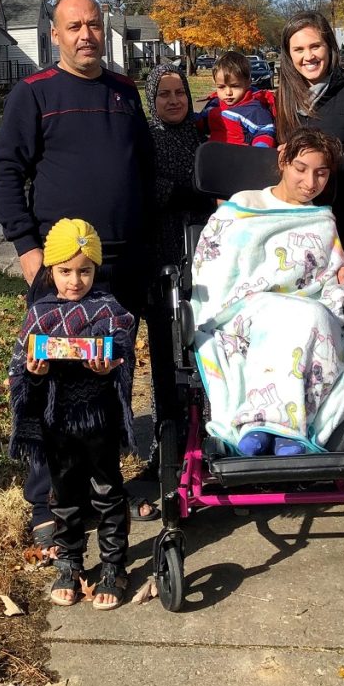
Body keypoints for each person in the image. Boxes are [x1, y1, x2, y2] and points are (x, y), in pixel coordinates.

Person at [0, 0, 156, 544]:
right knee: (54, 384)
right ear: (55, 36)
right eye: (74, 26)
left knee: (109, 379)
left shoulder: (126, 93)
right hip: (63, 273)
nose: (86, 34)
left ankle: (103, 486)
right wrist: (31, 252)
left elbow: (141, 171)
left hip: (122, 269)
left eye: (93, 24)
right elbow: (7, 175)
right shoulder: (33, 94)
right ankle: (50, 498)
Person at [191, 128, 344, 456]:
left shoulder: (322, 220)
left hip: (308, 307)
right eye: (301, 169)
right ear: (283, 161)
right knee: (298, 317)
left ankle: (272, 429)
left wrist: (341, 281)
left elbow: (327, 277)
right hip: (245, 307)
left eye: (321, 173)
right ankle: (272, 427)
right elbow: (214, 263)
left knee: (314, 319)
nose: (310, 182)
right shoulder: (245, 205)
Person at [8, 219, 135, 610]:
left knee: (107, 490)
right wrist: (33, 370)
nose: (75, 281)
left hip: (99, 418)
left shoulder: (110, 310)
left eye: (85, 271)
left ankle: (114, 565)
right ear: (50, 270)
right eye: (65, 271)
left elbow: (123, 351)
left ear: (96, 270)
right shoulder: (40, 314)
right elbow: (20, 365)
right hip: (57, 420)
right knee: (64, 492)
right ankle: (69, 560)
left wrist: (110, 363)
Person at [275, 12, 344, 262]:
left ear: (330, 47)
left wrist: (317, 158)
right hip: (293, 230)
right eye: (299, 49)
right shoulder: (282, 98)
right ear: (289, 54)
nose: (308, 56)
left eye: (315, 46)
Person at [144, 64, 214, 443]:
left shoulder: (203, 136)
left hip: (204, 249)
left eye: (180, 92)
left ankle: (209, 428)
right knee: (165, 349)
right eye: (164, 94)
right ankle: (166, 436)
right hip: (161, 252)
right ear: (152, 100)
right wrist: (181, 191)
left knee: (205, 341)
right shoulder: (145, 139)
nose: (174, 101)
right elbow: (142, 186)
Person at [197, 51, 276, 148]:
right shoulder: (214, 103)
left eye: (235, 86)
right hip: (214, 156)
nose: (228, 92)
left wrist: (258, 153)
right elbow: (201, 122)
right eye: (221, 87)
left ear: (248, 83)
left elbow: (265, 132)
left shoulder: (254, 109)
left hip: (240, 158)